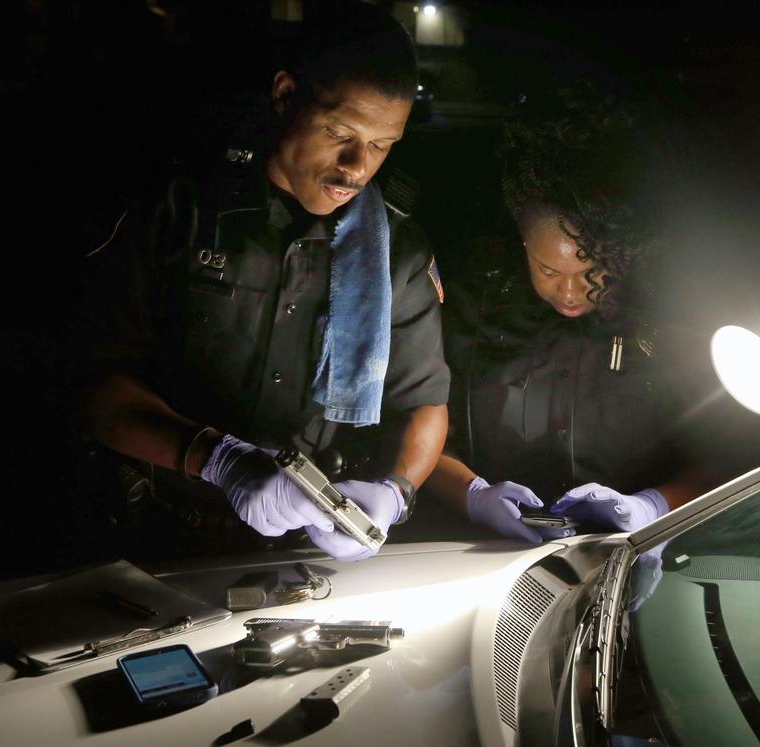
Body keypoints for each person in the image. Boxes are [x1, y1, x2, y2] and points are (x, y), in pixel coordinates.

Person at [76, 2, 449, 562]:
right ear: (284, 95)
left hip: (303, 547)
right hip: (149, 530)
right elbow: (94, 382)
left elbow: (423, 403)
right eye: (339, 132)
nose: (356, 166)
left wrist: (393, 493)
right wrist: (218, 459)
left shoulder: (395, 249)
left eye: (381, 145)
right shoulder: (180, 207)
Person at [425, 86, 723, 565]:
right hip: (485, 563)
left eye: (592, 272)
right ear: (523, 243)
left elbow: (723, 453)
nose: (569, 293)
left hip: (631, 563)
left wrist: (651, 508)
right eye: (548, 270)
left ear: (625, 252)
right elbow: (419, 431)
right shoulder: (473, 310)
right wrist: (474, 496)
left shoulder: (671, 325)